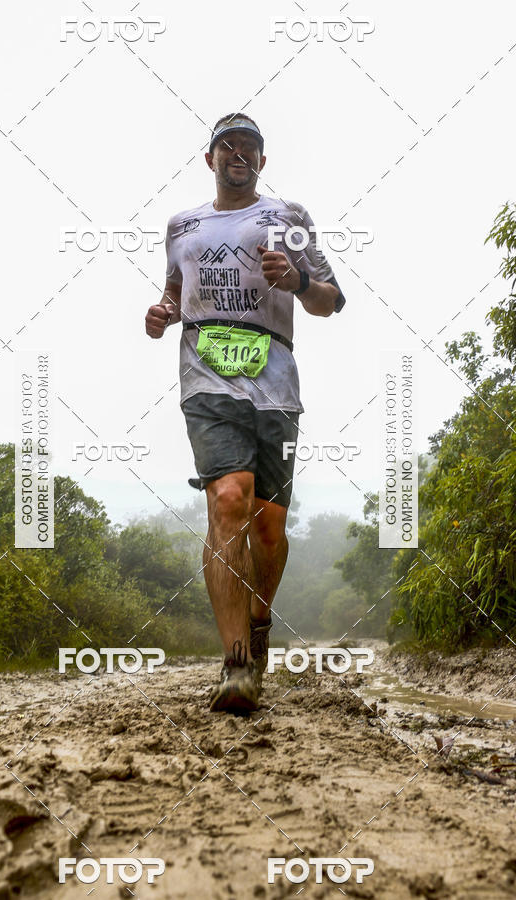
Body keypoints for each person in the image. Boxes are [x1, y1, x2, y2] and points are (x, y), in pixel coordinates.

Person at [145, 113, 346, 713]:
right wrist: (161, 314)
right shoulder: (183, 226)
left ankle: (258, 625)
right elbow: (174, 297)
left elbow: (331, 302)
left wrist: (298, 277)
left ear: (264, 160)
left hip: (275, 386)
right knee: (228, 499)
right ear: (210, 159)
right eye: (227, 145)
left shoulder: (288, 219)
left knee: (269, 527)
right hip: (206, 382)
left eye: (250, 147)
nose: (239, 153)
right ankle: (236, 666)